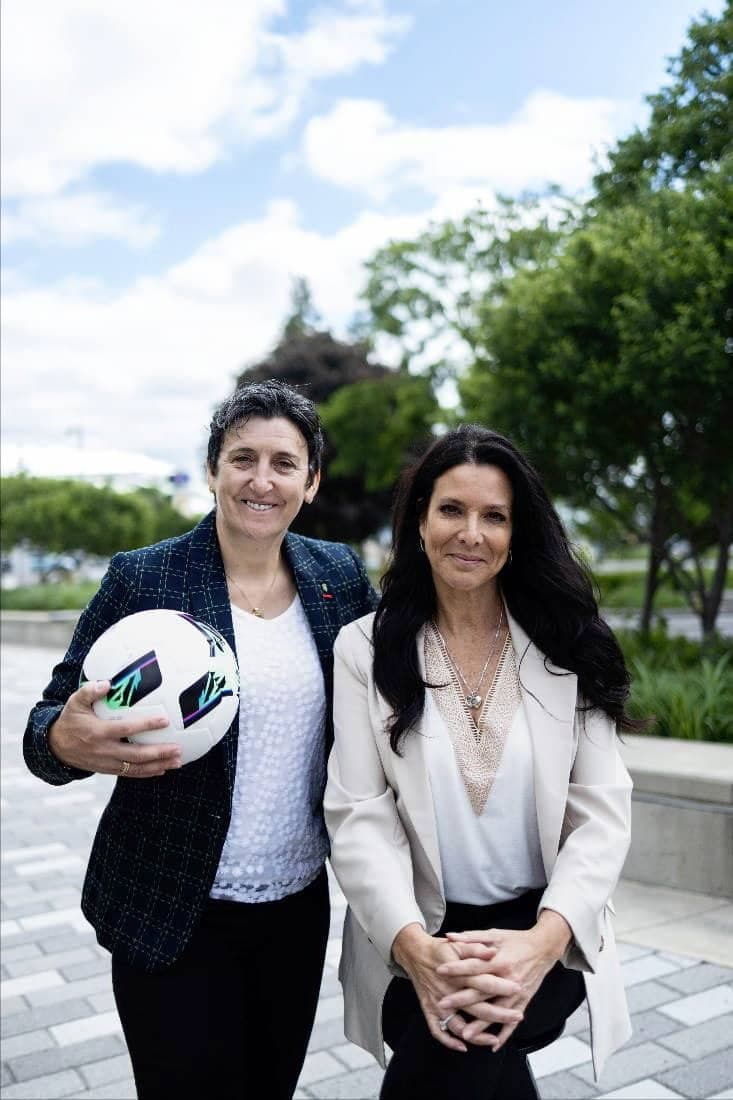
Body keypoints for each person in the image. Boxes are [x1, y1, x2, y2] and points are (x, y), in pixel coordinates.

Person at [23, 379, 377, 1100]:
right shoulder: (146, 578)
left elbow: (392, 696)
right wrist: (64, 741)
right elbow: (45, 728)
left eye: (284, 463)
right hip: (168, 908)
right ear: (213, 469)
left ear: (310, 482)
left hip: (294, 908)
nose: (261, 480)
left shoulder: (337, 578)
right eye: (242, 458)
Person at [324, 424, 639, 1100]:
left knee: (457, 1048)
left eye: (494, 516)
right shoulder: (363, 649)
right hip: (413, 930)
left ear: (516, 533)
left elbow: (602, 815)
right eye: (451, 510)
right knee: (472, 1056)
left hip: (545, 927)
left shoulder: (568, 644)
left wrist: (541, 944)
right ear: (419, 522)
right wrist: (415, 948)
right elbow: (358, 816)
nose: (471, 533)